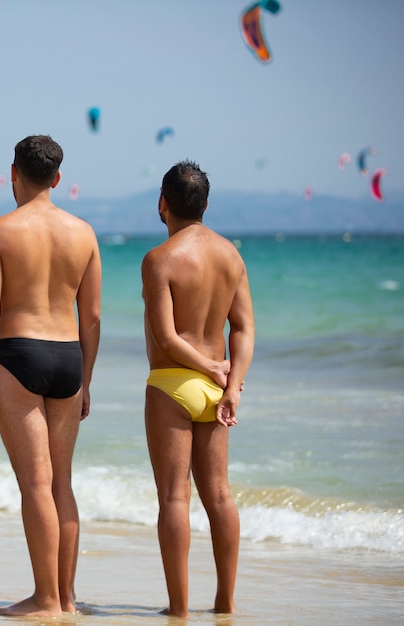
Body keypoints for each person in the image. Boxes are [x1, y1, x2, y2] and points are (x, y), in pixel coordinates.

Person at [0, 135, 101, 618]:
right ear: (58, 178)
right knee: (61, 483)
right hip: (69, 359)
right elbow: (94, 317)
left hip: (19, 355)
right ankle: (66, 597)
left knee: (36, 485)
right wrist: (88, 378)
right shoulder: (83, 233)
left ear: (12, 174)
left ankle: (44, 599)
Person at [142, 160, 255, 618]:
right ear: (206, 205)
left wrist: (208, 366)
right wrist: (232, 385)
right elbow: (244, 329)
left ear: (162, 204)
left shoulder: (160, 259)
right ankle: (225, 602)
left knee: (174, 497)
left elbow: (167, 338)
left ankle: (178, 608)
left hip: (173, 383)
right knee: (220, 496)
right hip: (217, 388)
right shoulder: (231, 256)